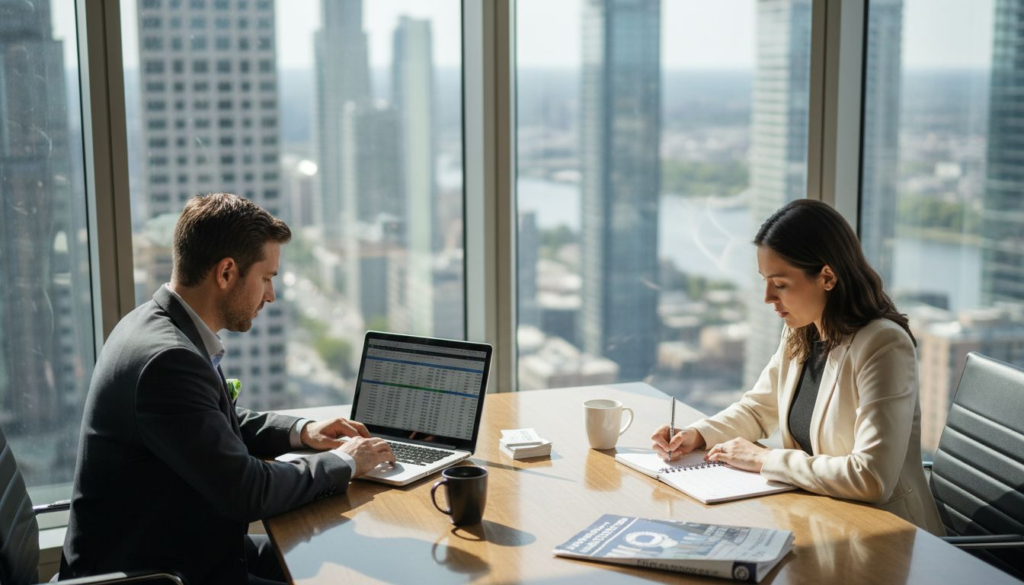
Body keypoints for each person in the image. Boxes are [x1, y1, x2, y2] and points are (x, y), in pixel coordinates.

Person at [61, 193, 396, 584]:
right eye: (267, 278)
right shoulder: (167, 359)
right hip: (156, 571)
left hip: (183, 544)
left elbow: (210, 423)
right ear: (225, 273)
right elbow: (247, 491)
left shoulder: (153, 324)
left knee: (337, 555)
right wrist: (346, 462)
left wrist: (302, 432)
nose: (270, 295)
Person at [651, 199, 944, 535]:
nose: (767, 298)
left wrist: (764, 460)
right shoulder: (801, 328)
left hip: (887, 537)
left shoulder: (883, 346)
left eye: (781, 284)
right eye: (765, 281)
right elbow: (758, 410)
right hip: (819, 519)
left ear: (827, 277)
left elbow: (871, 477)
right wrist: (697, 434)